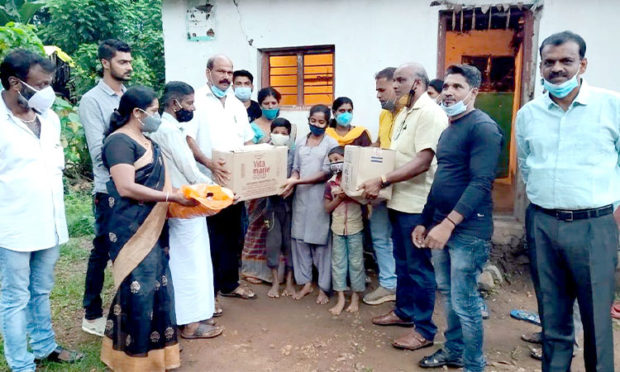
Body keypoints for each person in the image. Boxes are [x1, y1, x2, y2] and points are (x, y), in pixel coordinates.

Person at [516, 31, 620, 372]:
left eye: (566, 61)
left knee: (596, 325)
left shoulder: (612, 105)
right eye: (549, 62)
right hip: (543, 224)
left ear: (583, 64)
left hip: (596, 226)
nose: (556, 68)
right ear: (541, 66)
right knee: (553, 319)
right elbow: (528, 164)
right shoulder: (528, 114)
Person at [412, 64, 503, 371]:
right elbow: (441, 180)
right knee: (451, 297)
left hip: (468, 229)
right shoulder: (449, 129)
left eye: (457, 87)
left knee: (465, 302)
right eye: (447, 86)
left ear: (473, 92)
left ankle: (474, 365)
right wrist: (425, 221)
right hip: (440, 224)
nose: (449, 91)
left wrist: (448, 224)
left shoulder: (483, 128)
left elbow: (480, 183)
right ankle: (453, 352)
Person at [99, 86, 194, 371]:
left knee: (158, 287)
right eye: (153, 112)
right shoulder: (119, 142)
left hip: (156, 224)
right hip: (130, 227)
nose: (157, 117)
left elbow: (162, 184)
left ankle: (158, 357)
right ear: (137, 113)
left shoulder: (149, 140)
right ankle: (132, 361)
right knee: (136, 290)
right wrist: (172, 197)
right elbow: (126, 187)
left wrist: (193, 195)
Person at [0, 48, 83, 372]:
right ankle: (21, 364)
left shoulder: (49, 120)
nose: (48, 91)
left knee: (41, 290)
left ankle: (45, 345)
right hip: (13, 228)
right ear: (15, 83)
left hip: (49, 224)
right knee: (15, 299)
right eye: (41, 83)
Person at [360, 62, 448, 351]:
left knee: (419, 268)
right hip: (399, 200)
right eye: (394, 80)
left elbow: (423, 161)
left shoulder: (431, 113)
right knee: (402, 262)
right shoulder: (403, 113)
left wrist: (382, 180)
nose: (394, 85)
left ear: (418, 84)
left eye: (400, 80)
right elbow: (392, 154)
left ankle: (424, 330)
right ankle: (403, 312)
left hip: (418, 205)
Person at [147, 81, 223, 339]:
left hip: (181, 201)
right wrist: (222, 193)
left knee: (194, 259)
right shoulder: (167, 131)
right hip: (184, 203)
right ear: (175, 103)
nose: (192, 108)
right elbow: (190, 172)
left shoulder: (167, 128)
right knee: (189, 263)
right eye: (189, 103)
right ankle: (189, 324)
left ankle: (196, 316)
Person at [186, 54, 256, 306]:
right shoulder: (195, 101)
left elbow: (247, 140)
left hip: (235, 185)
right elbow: (188, 139)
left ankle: (229, 284)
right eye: (221, 72)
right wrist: (209, 165)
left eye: (230, 72)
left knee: (234, 235)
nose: (227, 77)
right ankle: (209, 295)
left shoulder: (237, 104)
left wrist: (255, 173)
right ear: (208, 73)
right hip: (207, 184)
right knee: (211, 239)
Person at [79, 39, 132, 336]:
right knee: (102, 250)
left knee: (126, 248)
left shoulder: (127, 96)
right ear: (105, 63)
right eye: (122, 62)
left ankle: (125, 307)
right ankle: (92, 313)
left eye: (129, 61)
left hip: (133, 185)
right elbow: (99, 150)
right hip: (107, 187)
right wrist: (131, 158)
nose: (129, 66)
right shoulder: (92, 100)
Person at [281, 104, 338, 305]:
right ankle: (305, 282)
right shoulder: (301, 142)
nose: (316, 125)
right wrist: (293, 180)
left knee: (320, 243)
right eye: (313, 120)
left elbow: (326, 173)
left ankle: (323, 287)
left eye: (321, 122)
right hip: (301, 199)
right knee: (300, 241)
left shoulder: (331, 143)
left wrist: (297, 182)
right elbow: (296, 168)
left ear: (327, 122)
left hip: (320, 197)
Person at [363, 67, 399, 306]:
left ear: (396, 87)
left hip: (404, 187)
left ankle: (404, 286)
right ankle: (389, 284)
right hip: (381, 186)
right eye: (376, 90)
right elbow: (379, 143)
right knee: (379, 236)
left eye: (381, 89)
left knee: (404, 239)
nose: (378, 95)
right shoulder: (384, 116)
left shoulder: (411, 115)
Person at [240, 87, 284, 283]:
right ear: (260, 105)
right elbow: (247, 153)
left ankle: (275, 271)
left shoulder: (283, 127)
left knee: (275, 227)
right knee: (256, 225)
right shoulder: (252, 128)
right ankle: (253, 270)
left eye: (274, 103)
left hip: (278, 184)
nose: (270, 107)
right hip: (256, 184)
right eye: (266, 104)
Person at [324, 146, 366, 315]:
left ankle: (355, 297)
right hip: (337, 228)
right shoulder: (330, 184)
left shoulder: (357, 181)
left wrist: (351, 194)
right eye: (331, 161)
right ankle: (341, 297)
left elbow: (365, 202)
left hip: (356, 227)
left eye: (337, 159)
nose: (335, 163)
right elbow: (327, 208)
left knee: (356, 263)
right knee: (338, 263)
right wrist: (340, 198)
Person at [264, 118, 296, 298]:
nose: (280, 136)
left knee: (289, 243)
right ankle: (275, 282)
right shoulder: (264, 152)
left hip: (291, 204)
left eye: (284, 133)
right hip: (271, 205)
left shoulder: (294, 152)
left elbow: (298, 172)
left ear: (289, 135)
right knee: (273, 243)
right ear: (270, 133)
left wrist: (290, 186)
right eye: (276, 132)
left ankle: (290, 282)